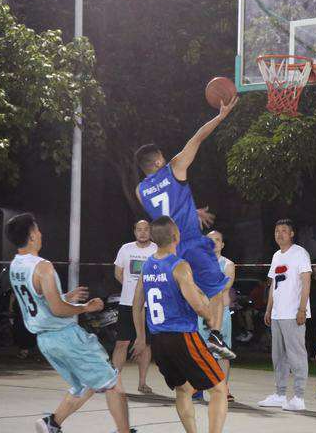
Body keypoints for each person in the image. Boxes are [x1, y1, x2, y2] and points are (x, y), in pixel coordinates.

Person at [5, 213, 133, 433]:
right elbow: (57, 309)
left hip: (46, 341)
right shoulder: (43, 267)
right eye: (37, 229)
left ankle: (52, 424)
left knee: (84, 384)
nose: (41, 233)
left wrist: (66, 296)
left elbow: (40, 301)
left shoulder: (15, 266)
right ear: (32, 236)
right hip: (65, 336)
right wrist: (85, 307)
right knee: (113, 382)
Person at [134, 95, 239, 360]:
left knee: (187, 293)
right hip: (190, 240)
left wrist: (192, 212)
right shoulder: (174, 168)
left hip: (169, 248)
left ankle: (188, 339)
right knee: (219, 289)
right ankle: (215, 337)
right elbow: (197, 138)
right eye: (162, 157)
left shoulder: (140, 190)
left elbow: (164, 213)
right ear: (158, 161)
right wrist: (220, 116)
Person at [132, 216, 228, 433]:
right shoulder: (179, 266)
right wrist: (208, 310)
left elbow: (137, 305)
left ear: (154, 238)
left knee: (183, 389)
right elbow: (199, 307)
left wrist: (140, 337)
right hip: (182, 336)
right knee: (219, 389)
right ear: (176, 236)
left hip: (158, 339)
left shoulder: (147, 266)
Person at [258, 219, 312, 412]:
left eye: (283, 230)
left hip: (293, 313)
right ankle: (280, 395)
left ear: (291, 234)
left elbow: (306, 282)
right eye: (276, 231)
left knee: (296, 355)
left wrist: (302, 309)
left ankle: (299, 397)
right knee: (279, 357)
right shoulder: (276, 255)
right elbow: (274, 284)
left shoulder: (300, 253)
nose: (279, 234)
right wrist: (269, 309)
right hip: (277, 314)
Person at [112, 220, 157, 392]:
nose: (143, 232)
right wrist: (132, 289)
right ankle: (114, 382)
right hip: (127, 303)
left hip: (149, 306)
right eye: (139, 229)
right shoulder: (126, 249)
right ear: (134, 231)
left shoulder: (156, 250)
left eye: (146, 229)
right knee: (121, 343)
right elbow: (118, 272)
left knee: (145, 344)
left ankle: (142, 383)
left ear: (151, 232)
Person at [194, 230, 236, 402]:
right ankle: (198, 388)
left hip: (220, 314)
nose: (213, 243)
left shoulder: (228, 264)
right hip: (202, 314)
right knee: (199, 352)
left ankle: (223, 389)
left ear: (222, 244)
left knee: (222, 352)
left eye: (217, 240)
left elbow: (225, 285)